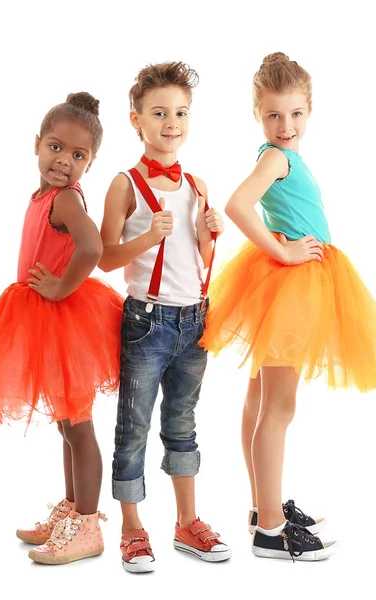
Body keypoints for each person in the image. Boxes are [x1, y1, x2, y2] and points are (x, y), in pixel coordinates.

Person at [199, 52, 376, 561]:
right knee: (279, 407)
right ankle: (270, 530)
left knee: (260, 400)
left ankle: (261, 506)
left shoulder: (284, 155)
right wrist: (284, 249)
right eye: (273, 115)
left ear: (309, 111)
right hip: (290, 284)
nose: (285, 125)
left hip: (286, 284)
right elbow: (236, 205)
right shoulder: (276, 157)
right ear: (257, 115)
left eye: (294, 114)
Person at [0, 92, 124, 565]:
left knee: (80, 427)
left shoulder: (67, 199)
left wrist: (59, 288)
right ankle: (71, 509)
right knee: (66, 426)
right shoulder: (44, 197)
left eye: (78, 155)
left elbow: (91, 249)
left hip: (63, 320)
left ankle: (87, 527)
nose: (63, 161)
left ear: (90, 162)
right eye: (55, 147)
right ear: (36, 145)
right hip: (43, 319)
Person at [99, 61, 230, 573]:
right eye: (159, 113)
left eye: (180, 112)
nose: (171, 122)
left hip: (195, 320)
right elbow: (106, 257)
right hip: (147, 323)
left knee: (183, 422)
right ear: (136, 120)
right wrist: (145, 237)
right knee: (133, 425)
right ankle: (133, 529)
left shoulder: (196, 184)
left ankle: (186, 522)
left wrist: (209, 231)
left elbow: (196, 258)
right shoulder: (124, 184)